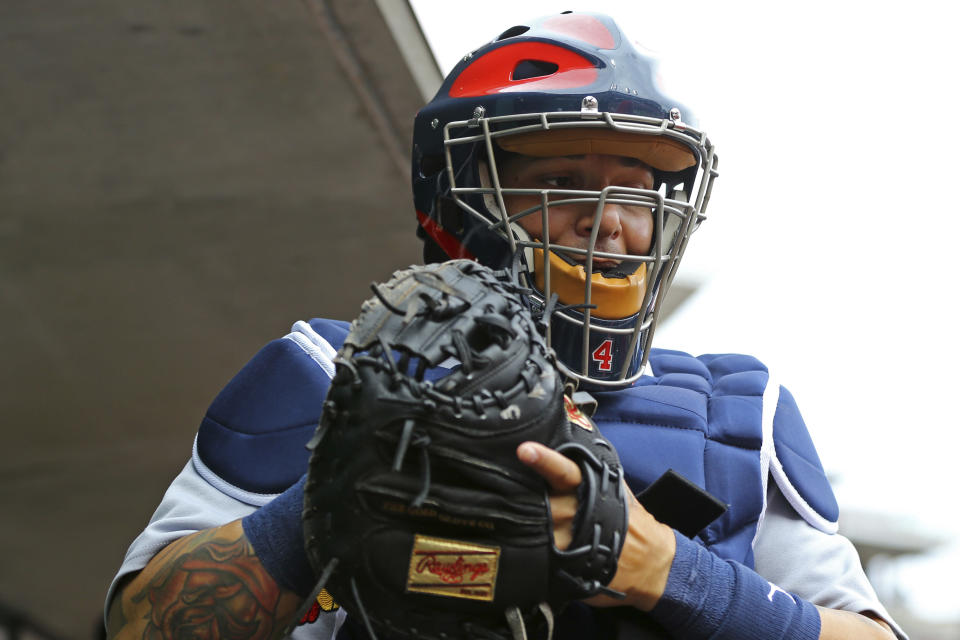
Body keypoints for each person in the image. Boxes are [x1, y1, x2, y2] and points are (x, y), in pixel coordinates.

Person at [104, 12, 906, 640]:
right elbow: (141, 624)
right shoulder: (328, 368)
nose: (608, 221)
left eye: (636, 192)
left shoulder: (738, 411)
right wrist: (332, 499)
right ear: (468, 201)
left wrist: (668, 571)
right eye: (562, 180)